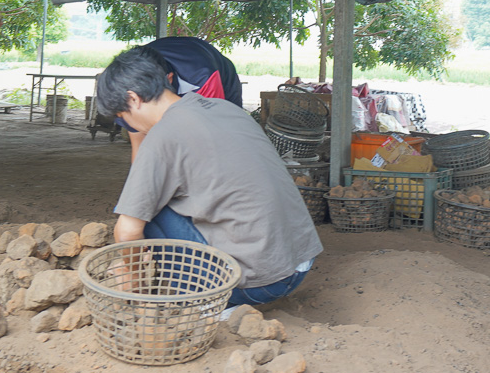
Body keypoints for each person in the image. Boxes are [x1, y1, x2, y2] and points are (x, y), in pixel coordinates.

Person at [97, 46, 322, 307]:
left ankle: (208, 305)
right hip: (300, 263)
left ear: (133, 99)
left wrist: (134, 277)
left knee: (146, 208)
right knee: (156, 197)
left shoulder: (162, 135)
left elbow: (126, 233)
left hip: (259, 283)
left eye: (123, 117)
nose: (130, 127)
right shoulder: (225, 108)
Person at [114, 36, 243, 162]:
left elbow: (207, 140)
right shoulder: (124, 99)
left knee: (224, 142)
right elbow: (139, 151)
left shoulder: (205, 78)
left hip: (215, 76)